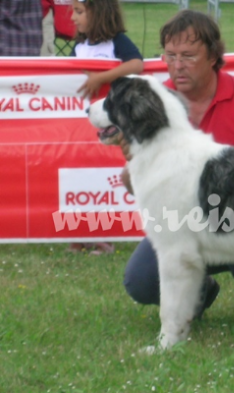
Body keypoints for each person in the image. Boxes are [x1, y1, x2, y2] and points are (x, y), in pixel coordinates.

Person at [122, 10, 234, 338]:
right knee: (139, 282)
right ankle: (200, 291)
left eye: (188, 56)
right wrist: (133, 162)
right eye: (170, 56)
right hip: (179, 225)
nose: (176, 65)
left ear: (212, 56)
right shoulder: (153, 105)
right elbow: (134, 186)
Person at [68, 0, 144, 254]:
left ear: (98, 12)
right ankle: (78, 234)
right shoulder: (78, 48)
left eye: (79, 12)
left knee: (103, 182)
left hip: (110, 128)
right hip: (81, 126)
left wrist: (101, 77)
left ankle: (105, 236)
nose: (72, 18)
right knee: (78, 181)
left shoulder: (116, 43)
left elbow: (136, 64)